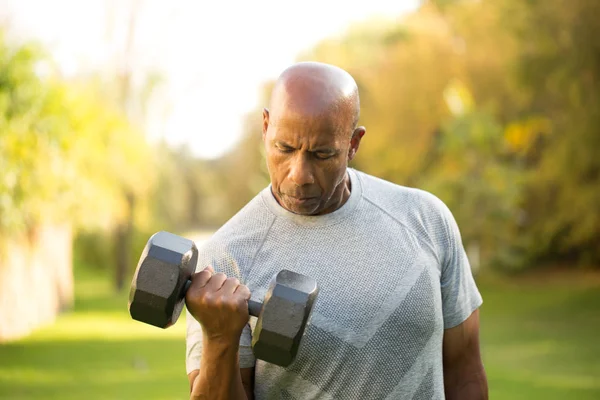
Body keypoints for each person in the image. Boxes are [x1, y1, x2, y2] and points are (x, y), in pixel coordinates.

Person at [184, 61, 488, 399]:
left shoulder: (426, 219)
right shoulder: (225, 259)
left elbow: (464, 370)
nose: (299, 174)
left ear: (354, 143)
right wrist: (219, 340)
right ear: (266, 126)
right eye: (284, 148)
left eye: (322, 154)